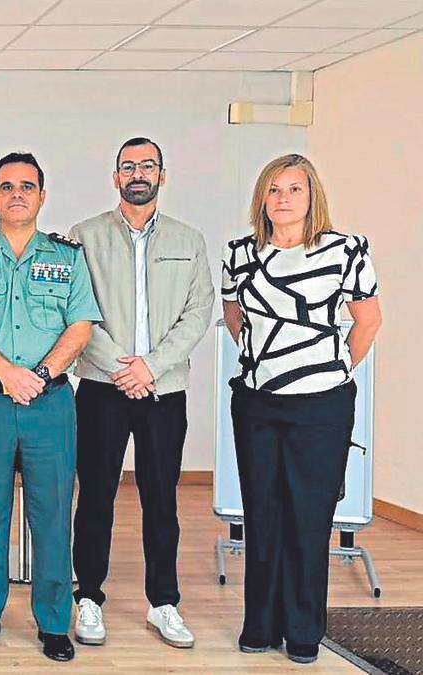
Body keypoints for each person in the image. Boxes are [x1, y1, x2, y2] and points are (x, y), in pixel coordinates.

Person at [222, 153, 381, 665]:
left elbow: (368, 322)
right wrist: (269, 365)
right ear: (261, 198)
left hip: (323, 407)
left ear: (312, 196)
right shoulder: (240, 253)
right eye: (273, 190)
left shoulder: (345, 250)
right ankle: (260, 625)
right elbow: (234, 317)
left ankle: (305, 629)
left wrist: (329, 369)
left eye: (293, 189)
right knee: (261, 514)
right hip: (258, 404)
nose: (282, 199)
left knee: (309, 518)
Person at [0, 152, 101, 662]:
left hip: (49, 404)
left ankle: (54, 622)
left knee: (52, 514)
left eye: (26, 186)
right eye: (6, 186)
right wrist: (9, 373)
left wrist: (39, 375)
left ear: (41, 197)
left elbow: (80, 327)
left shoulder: (68, 257)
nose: (16, 193)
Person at [67, 137, 214, 649]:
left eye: (146, 165)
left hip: (164, 390)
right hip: (101, 389)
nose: (137, 174)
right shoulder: (82, 237)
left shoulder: (188, 240)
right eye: (128, 166)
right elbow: (77, 311)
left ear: (162, 175)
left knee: (161, 499)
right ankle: (88, 597)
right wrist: (120, 367)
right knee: (96, 498)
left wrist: (150, 367)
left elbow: (199, 314)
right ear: (115, 177)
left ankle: (164, 603)